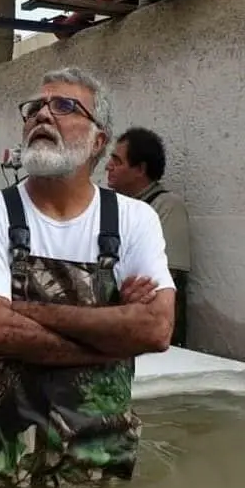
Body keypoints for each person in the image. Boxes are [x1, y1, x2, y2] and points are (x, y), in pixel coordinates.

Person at [0, 67, 176, 488]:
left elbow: (156, 329)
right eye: (35, 107)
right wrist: (111, 339)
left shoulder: (135, 219)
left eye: (64, 106)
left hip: (97, 454)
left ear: (98, 140)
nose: (42, 115)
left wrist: (25, 310)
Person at [106, 127, 191, 346]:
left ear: (140, 169)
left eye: (117, 161)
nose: (108, 166)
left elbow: (159, 284)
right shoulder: (113, 208)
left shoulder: (167, 207)